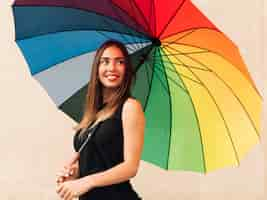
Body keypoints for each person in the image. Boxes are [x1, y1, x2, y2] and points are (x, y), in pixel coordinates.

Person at [56, 40, 145, 200]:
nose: (112, 68)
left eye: (120, 62)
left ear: (126, 70)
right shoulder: (94, 112)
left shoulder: (130, 107)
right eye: (105, 61)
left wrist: (87, 182)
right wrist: (75, 173)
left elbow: (131, 167)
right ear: (97, 68)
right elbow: (96, 161)